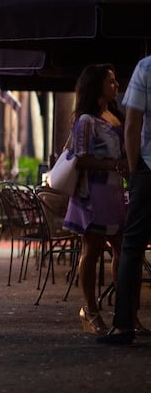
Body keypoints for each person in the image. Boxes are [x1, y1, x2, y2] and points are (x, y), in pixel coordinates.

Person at [60, 64, 127, 334]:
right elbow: (81, 158)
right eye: (110, 81)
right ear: (97, 85)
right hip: (93, 195)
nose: (116, 85)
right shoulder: (87, 120)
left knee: (124, 250)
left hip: (114, 194)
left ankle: (125, 313)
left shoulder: (113, 117)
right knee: (92, 251)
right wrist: (115, 164)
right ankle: (90, 310)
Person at [98, 56, 151, 344]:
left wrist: (134, 171)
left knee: (132, 247)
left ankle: (123, 326)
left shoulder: (145, 68)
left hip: (148, 168)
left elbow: (132, 124)